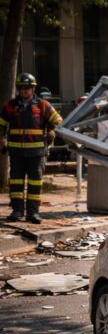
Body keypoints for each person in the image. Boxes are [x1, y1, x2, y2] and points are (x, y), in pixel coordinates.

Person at [1, 73, 62, 223]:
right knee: (16, 182)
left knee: (35, 182)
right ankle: (17, 211)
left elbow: (58, 121)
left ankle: (33, 213)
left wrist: (52, 132)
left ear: (33, 88)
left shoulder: (43, 105)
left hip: (37, 152)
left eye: (27, 88)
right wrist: (2, 139)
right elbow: (1, 125)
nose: (24, 91)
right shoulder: (10, 106)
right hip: (16, 152)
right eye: (21, 88)